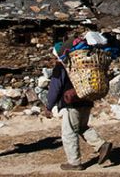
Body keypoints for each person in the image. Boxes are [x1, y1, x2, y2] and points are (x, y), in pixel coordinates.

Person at [44, 41, 112, 171]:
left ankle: (74, 162)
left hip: (71, 103)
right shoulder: (83, 63)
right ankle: (101, 145)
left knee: (69, 133)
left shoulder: (61, 66)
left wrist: (49, 106)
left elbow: (55, 87)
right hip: (86, 100)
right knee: (82, 127)